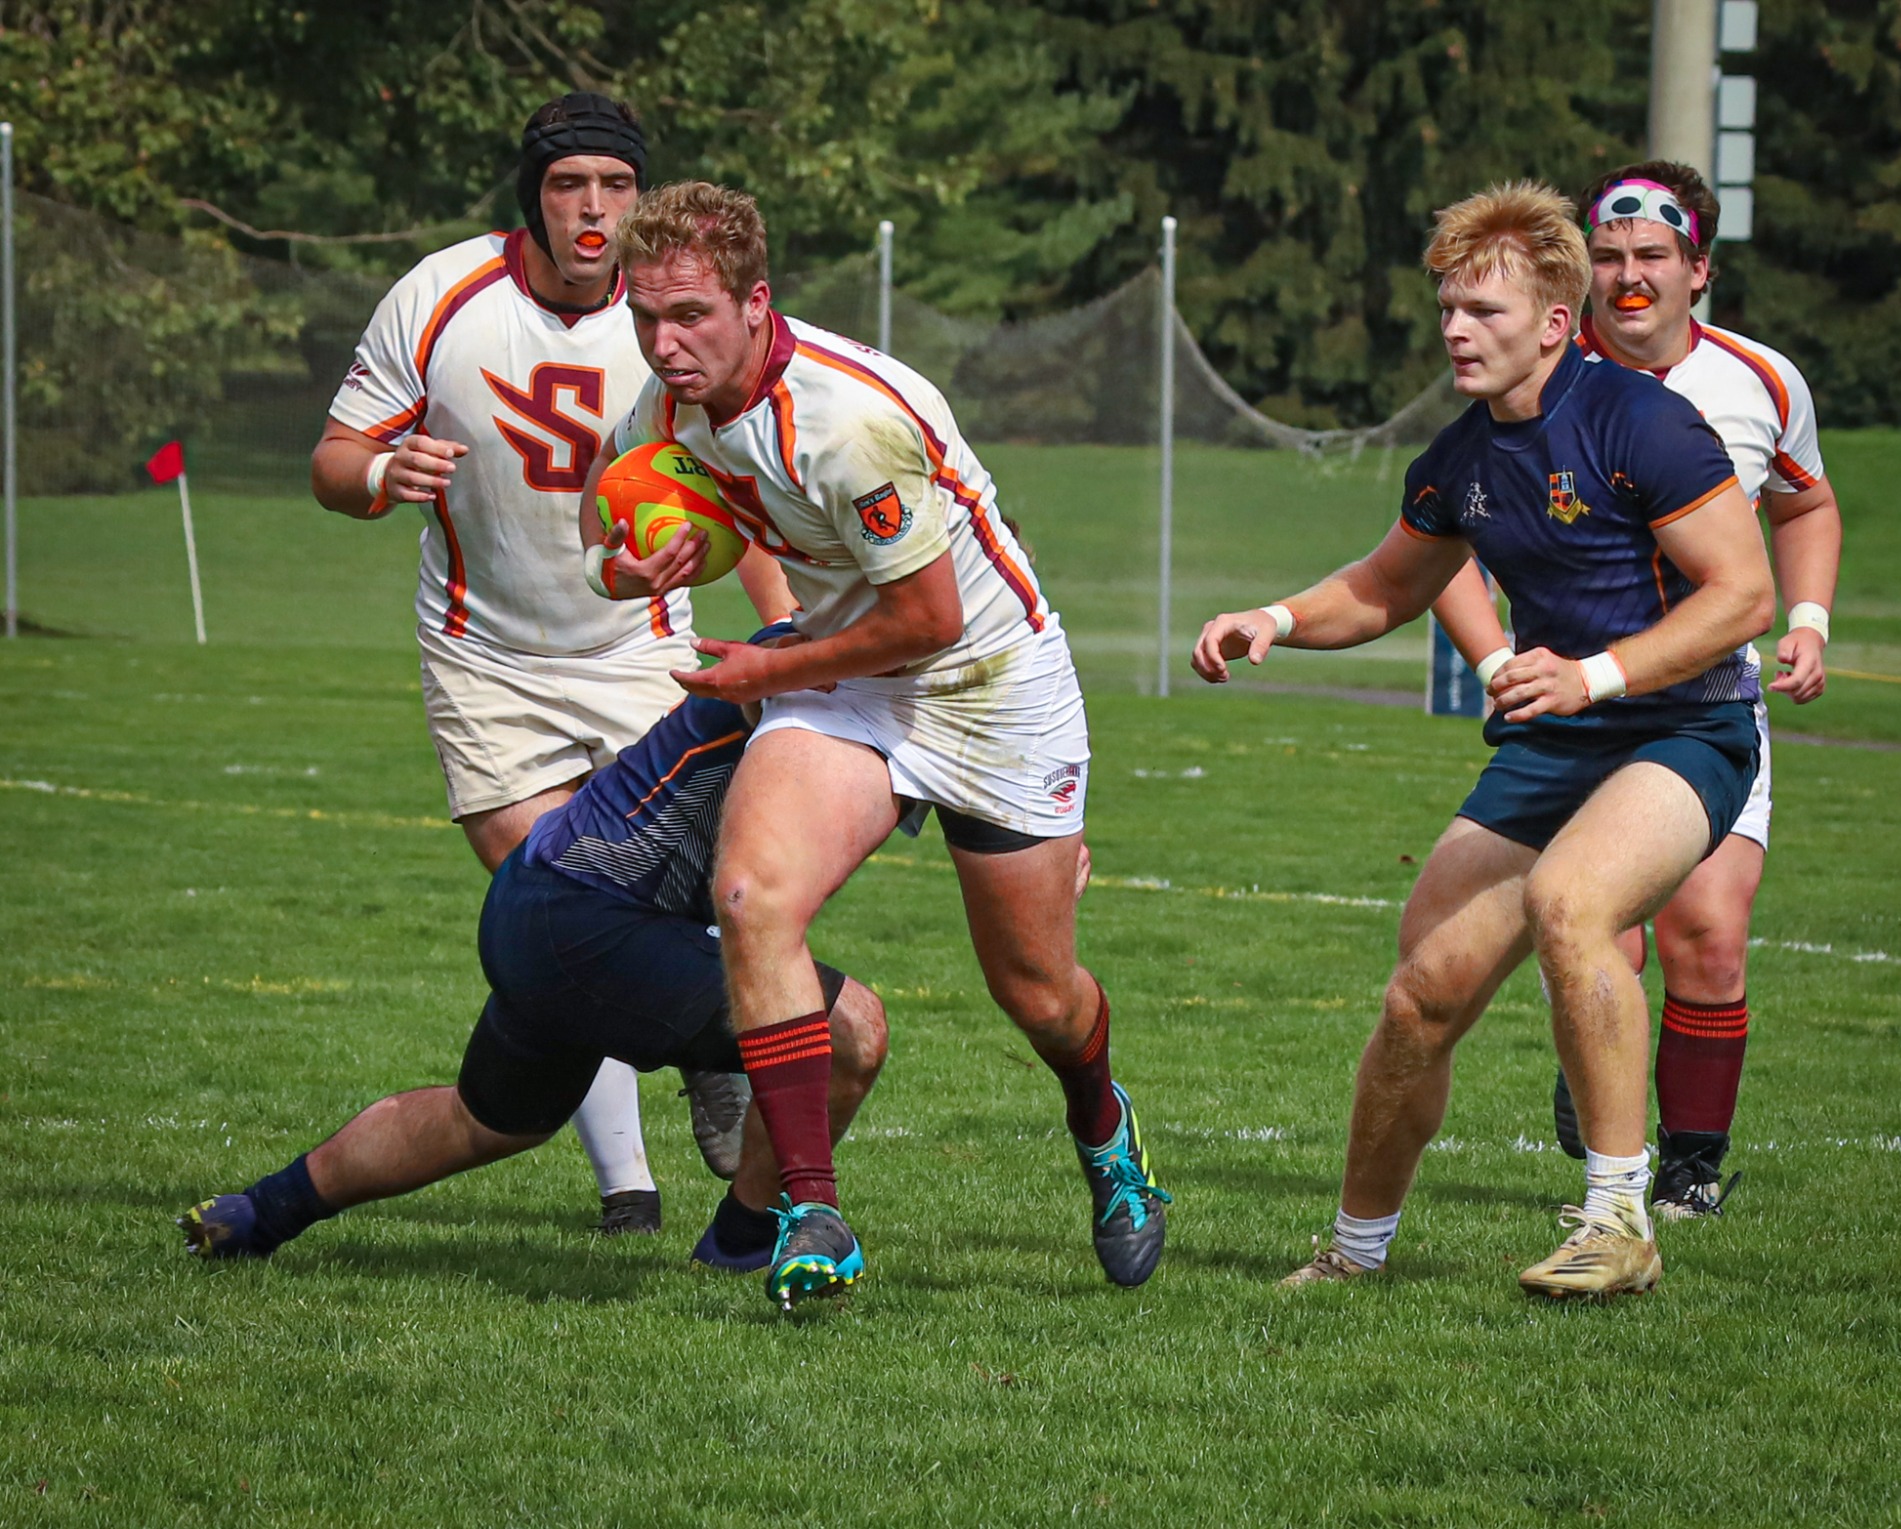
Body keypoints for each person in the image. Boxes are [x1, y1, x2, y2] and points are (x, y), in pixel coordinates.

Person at [583, 180, 1169, 1308]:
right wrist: (630, 566)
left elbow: (931, 622)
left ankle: (1104, 1130)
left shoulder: (848, 420)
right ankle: (811, 1209)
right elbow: (600, 529)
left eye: (691, 314)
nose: (665, 342)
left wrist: (763, 667)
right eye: (645, 315)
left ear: (756, 304)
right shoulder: (663, 404)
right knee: (752, 896)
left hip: (987, 682)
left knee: (1037, 994)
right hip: (844, 676)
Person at [1192, 181, 1774, 1297]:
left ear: (1554, 323)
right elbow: (1380, 588)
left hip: (1684, 725)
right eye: (1449, 308)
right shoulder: (1461, 455)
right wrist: (1270, 618)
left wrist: (1592, 672)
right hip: (1554, 742)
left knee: (1572, 901)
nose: (1456, 330)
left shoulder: (1641, 420)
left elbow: (1741, 594)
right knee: (1421, 994)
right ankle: (1353, 1253)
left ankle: (1618, 1221)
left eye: (1485, 312)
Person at [308, 94, 792, 1233]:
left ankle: (703, 1072)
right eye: (570, 183)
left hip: (640, 647)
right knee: (565, 907)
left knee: (641, 894)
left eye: (615, 186)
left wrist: (782, 645)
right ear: (532, 192)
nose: (593, 208)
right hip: (488, 662)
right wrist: (383, 478)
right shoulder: (439, 296)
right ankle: (630, 1178)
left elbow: (751, 500)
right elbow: (334, 460)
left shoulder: (677, 313)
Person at [178, 635, 888, 1281]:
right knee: (851, 1031)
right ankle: (737, 1245)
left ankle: (256, 1213)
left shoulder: (868, 669)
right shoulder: (815, 657)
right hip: (592, 917)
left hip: (544, 901)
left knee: (484, 1121)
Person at [1430, 162, 1843, 1219]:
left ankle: (1687, 1173)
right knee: (1591, 929)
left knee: (1705, 926)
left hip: (1701, 701)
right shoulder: (1545, 375)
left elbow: (1801, 508)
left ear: (1695, 269)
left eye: (1650, 256)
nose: (1628, 276)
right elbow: (1435, 544)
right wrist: (1496, 666)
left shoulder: (1762, 381)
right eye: (1608, 256)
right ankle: (1598, 1112)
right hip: (1571, 718)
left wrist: (1807, 619)